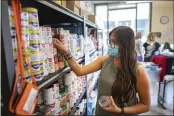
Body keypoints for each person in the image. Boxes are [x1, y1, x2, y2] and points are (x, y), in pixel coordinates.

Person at [53, 26, 150, 115]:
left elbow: (145, 106)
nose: (111, 45)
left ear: (126, 45)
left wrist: (120, 110)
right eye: (110, 41)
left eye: (115, 42)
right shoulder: (105, 60)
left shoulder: (138, 70)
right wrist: (66, 52)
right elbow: (80, 71)